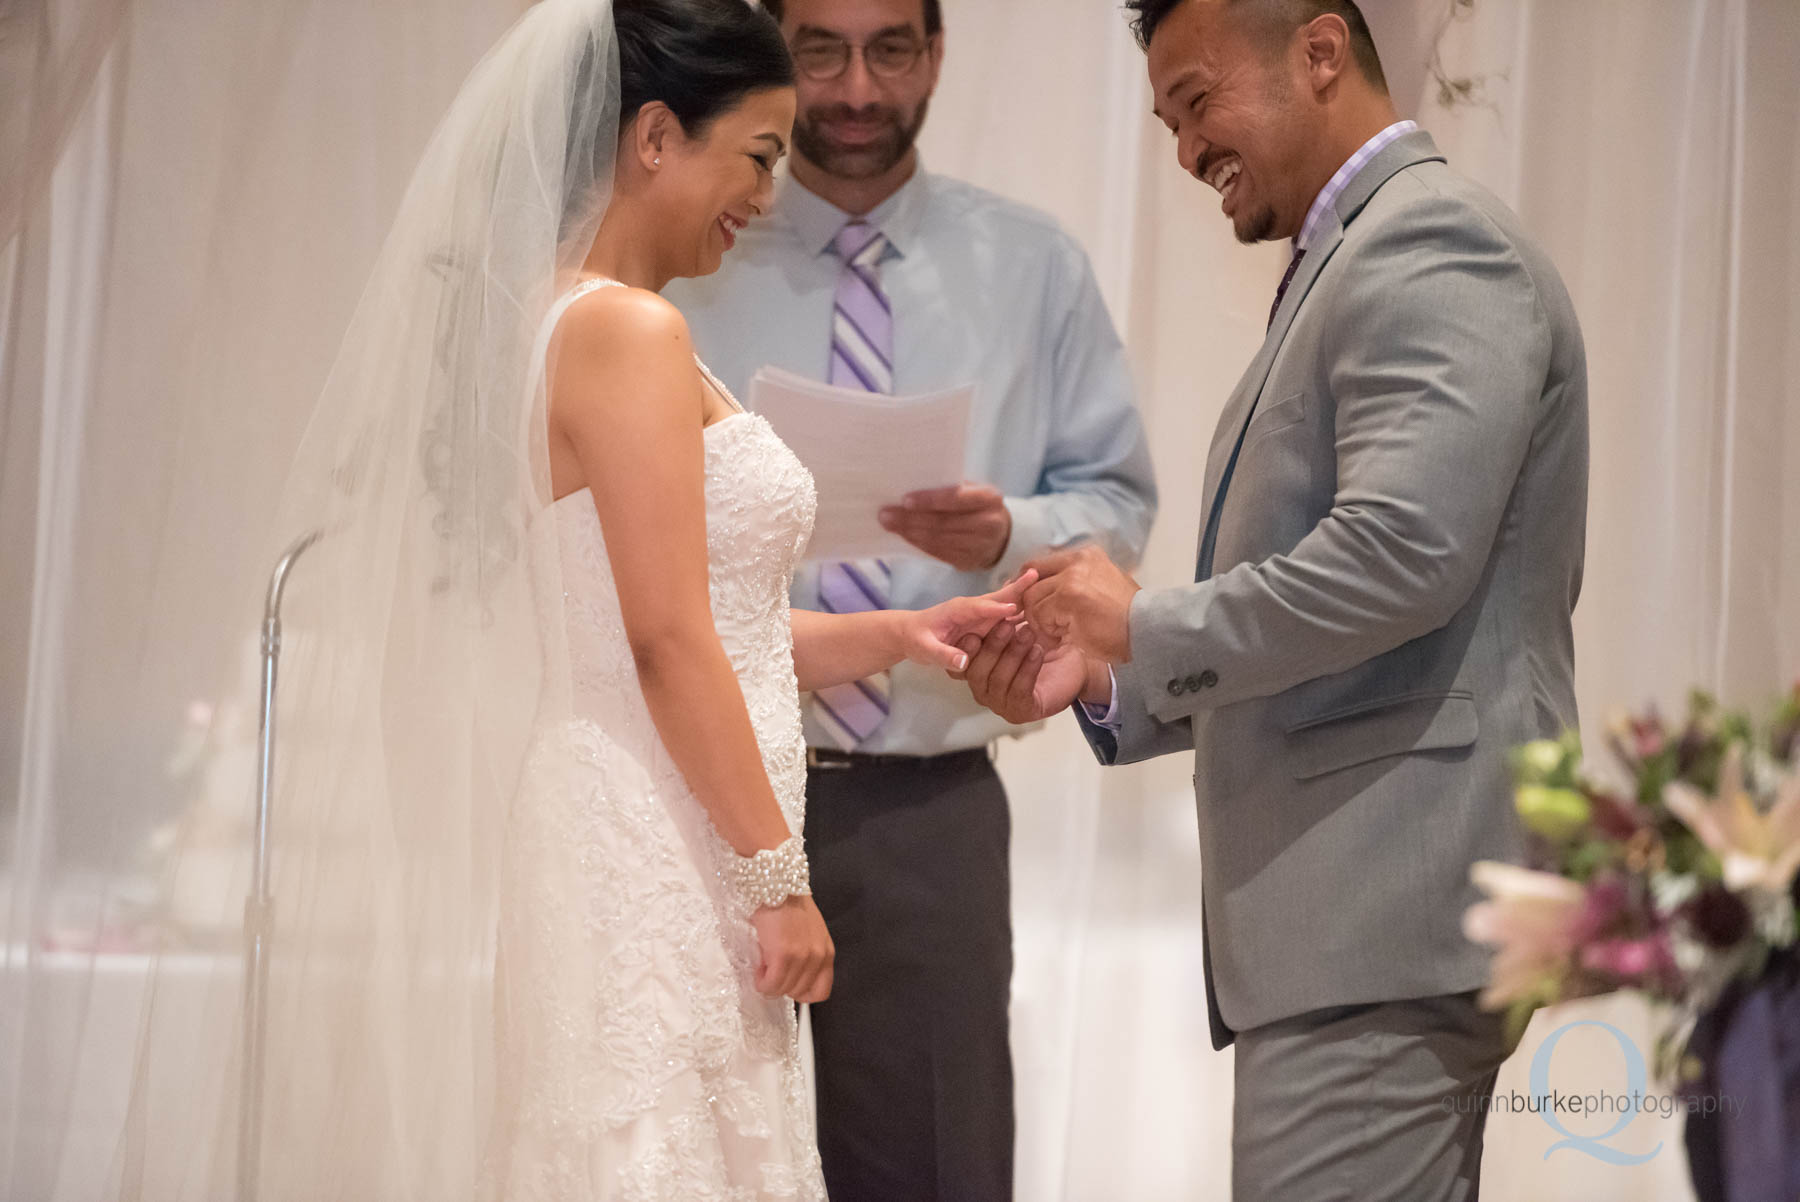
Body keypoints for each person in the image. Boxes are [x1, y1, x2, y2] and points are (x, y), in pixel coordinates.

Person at [119, 2, 1027, 1198]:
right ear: (656, 135)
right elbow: (662, 641)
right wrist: (778, 876)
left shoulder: (595, 320)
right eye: (755, 156)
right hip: (654, 827)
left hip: (657, 808)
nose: (764, 194)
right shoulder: (626, 331)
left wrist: (900, 634)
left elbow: (694, 619)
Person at [954, 1, 1588, 1199]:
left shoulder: (1429, 242)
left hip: (1383, 911)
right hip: (1359, 923)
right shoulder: (1357, 256)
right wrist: (1104, 680)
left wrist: (1141, 626)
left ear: (1319, 51)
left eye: (1196, 102)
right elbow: (1359, 616)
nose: (1186, 149)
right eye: (1168, 119)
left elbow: (1404, 553)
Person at [664, 1, 1157, 1196]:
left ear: (936, 54)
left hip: (929, 802)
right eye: (820, 51)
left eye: (891, 49)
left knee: (935, 1157)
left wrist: (1010, 532)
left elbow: (1118, 501)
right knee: (704, 1147)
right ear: (779, 52)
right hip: (706, 788)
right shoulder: (694, 255)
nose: (855, 89)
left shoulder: (1034, 266)